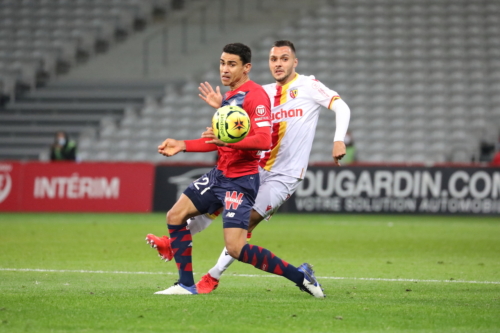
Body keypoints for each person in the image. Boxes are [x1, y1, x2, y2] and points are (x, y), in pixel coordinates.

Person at [148, 42, 325, 297]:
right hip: (220, 174)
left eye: (232, 64)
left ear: (246, 67)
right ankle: (185, 285)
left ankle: (301, 277)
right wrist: (182, 145)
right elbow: (218, 140)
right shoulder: (230, 98)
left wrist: (228, 140)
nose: (225, 69)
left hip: (241, 181)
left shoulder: (255, 96)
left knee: (236, 248)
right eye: (222, 63)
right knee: (175, 216)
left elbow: (263, 140)